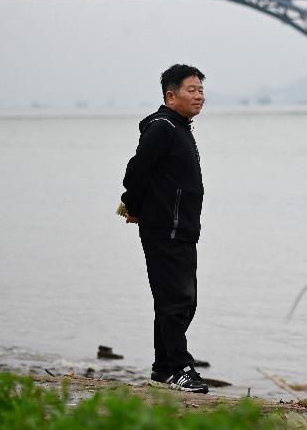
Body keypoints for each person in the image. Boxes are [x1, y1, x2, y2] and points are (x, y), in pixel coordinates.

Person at [120, 64, 208, 393]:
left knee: (176, 300)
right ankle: (181, 368)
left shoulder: (179, 126)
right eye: (191, 90)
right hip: (165, 229)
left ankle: (162, 368)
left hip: (181, 228)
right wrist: (134, 205)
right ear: (170, 96)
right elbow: (136, 170)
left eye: (200, 90)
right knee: (177, 300)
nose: (199, 96)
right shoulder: (162, 127)